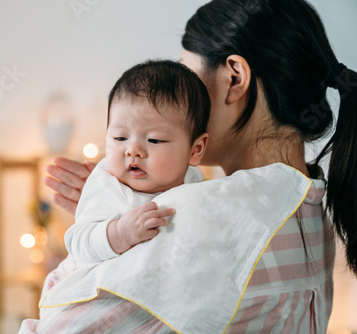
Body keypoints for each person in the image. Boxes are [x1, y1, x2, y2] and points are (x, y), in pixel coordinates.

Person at [21, 0, 357, 332]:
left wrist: (100, 247)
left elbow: (57, 326)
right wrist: (116, 213)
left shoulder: (201, 216)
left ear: (234, 77)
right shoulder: (313, 212)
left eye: (186, 74)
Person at [65, 60, 210, 267]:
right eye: (120, 138)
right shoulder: (106, 184)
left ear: (195, 150)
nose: (132, 150)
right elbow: (77, 243)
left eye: (154, 140)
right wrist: (120, 233)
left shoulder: (196, 184)